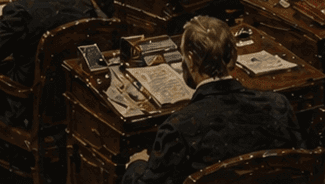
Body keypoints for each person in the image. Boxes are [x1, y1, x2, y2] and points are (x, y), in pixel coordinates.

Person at [121, 16, 304, 184]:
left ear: (190, 60)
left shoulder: (177, 128)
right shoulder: (278, 106)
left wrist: (135, 166)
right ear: (233, 57)